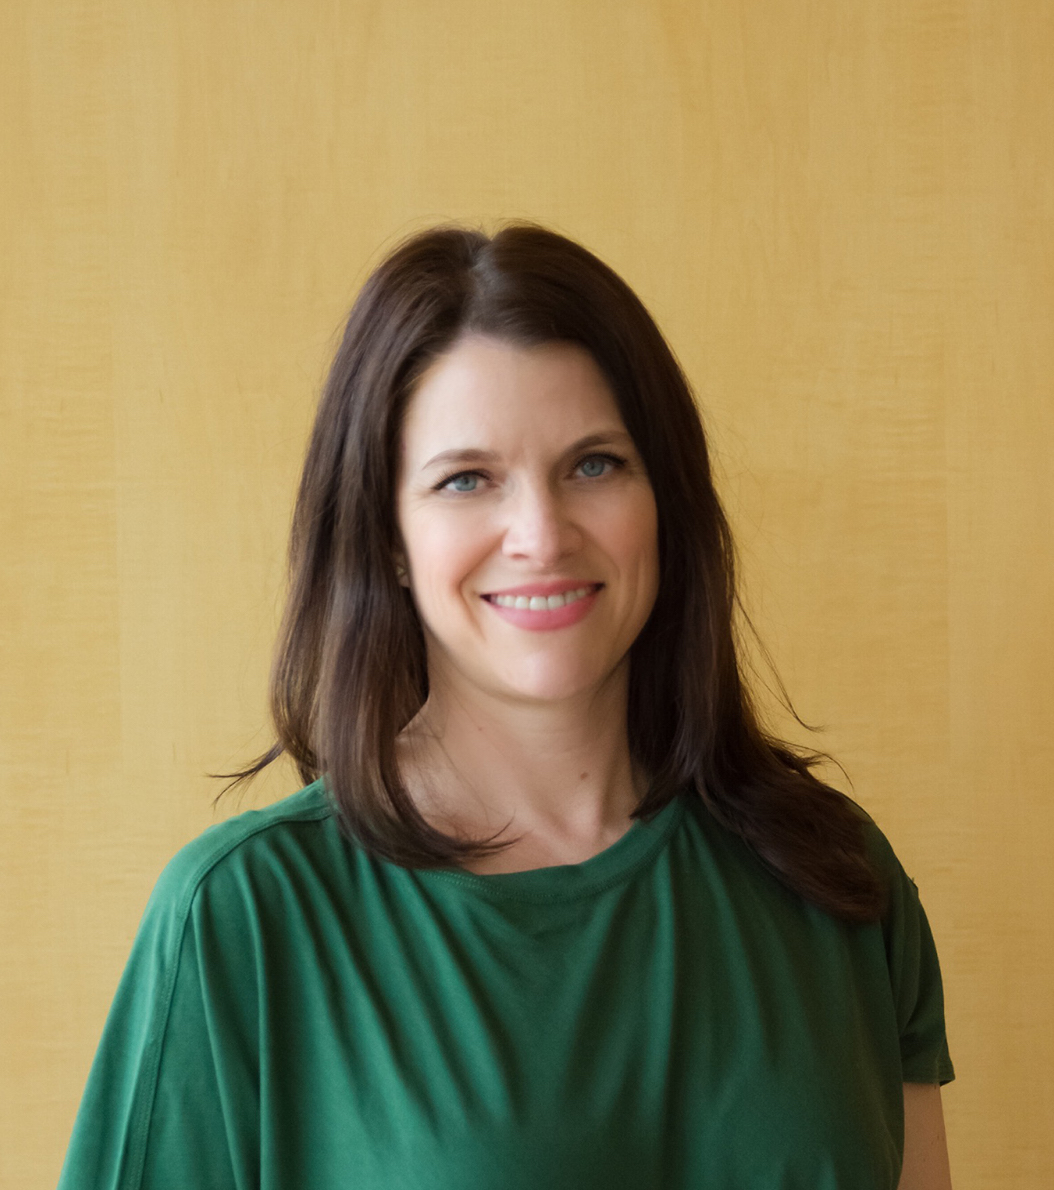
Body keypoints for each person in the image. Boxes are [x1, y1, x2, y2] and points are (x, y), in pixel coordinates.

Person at [57, 223, 955, 1189]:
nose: (541, 533)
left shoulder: (837, 877)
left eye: (595, 464)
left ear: (667, 502)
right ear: (387, 539)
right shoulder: (243, 921)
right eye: (467, 480)